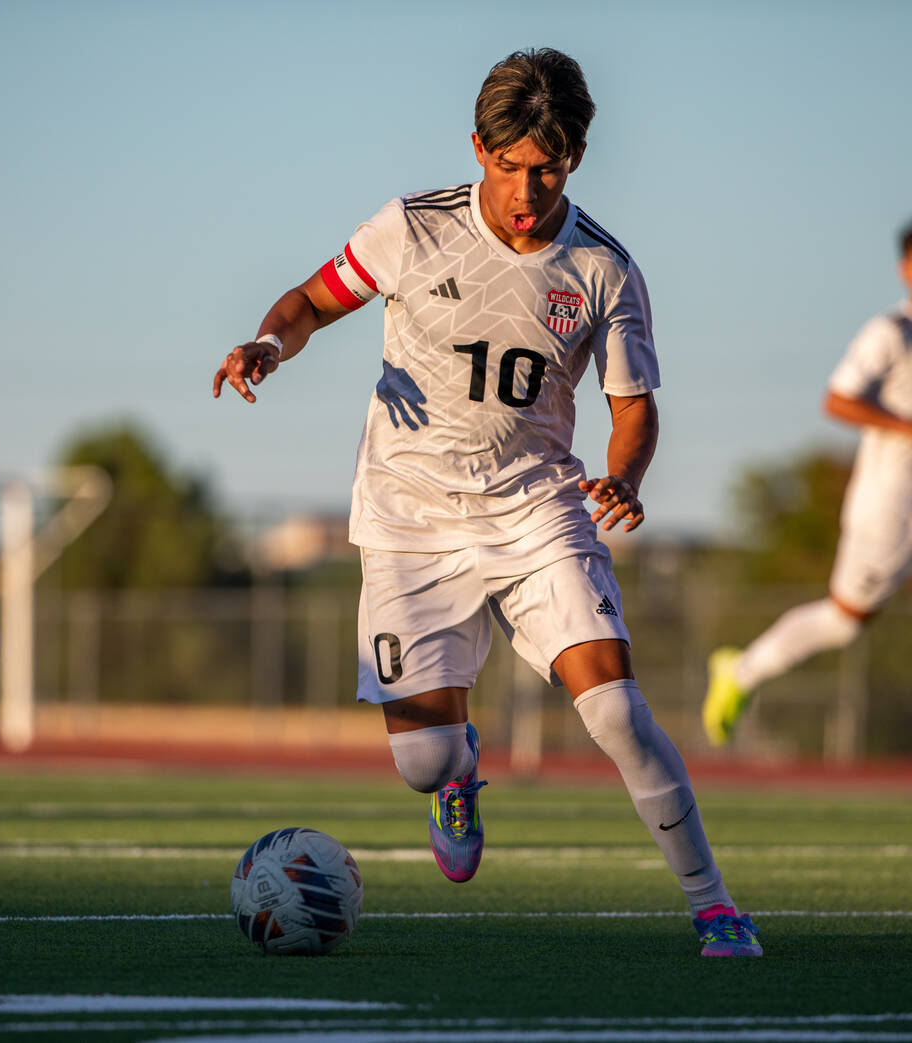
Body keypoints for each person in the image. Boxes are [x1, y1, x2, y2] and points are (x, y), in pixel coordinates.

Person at [214, 48, 761, 957]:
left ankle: (714, 904)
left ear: (575, 157)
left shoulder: (604, 270)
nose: (524, 187)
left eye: (545, 167)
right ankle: (460, 774)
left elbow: (634, 410)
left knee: (618, 710)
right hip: (409, 517)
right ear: (478, 147)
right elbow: (312, 299)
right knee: (424, 760)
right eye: (507, 164)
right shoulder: (411, 228)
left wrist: (624, 477)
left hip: (537, 509)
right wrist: (268, 343)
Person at [705, 222, 912, 747]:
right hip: (890, 503)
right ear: (905, 268)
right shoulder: (891, 332)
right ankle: (741, 671)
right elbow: (839, 399)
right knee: (847, 621)